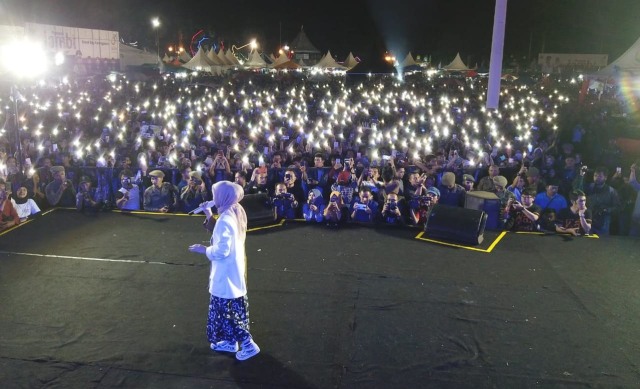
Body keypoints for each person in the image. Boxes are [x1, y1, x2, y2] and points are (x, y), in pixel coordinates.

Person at [187, 181, 260, 361]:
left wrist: (204, 250)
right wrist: (208, 213)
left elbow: (221, 249)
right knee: (225, 309)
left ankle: (248, 345)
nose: (214, 198)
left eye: (215, 194)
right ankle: (229, 341)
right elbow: (220, 231)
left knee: (228, 311)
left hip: (226, 274)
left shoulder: (226, 218)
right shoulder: (235, 211)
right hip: (232, 271)